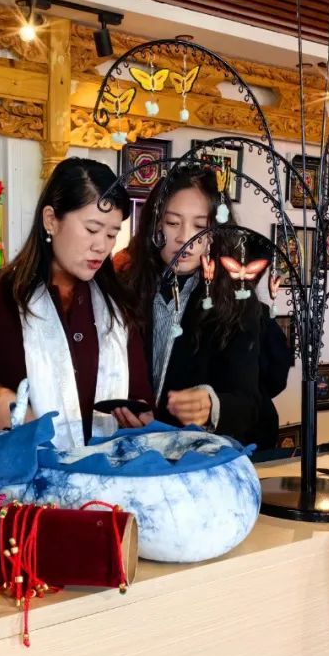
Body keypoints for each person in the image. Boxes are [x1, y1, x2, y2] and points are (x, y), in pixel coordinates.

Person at [0, 157, 154, 449]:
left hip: (107, 473)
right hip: (19, 475)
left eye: (111, 234)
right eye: (92, 229)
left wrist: (140, 415)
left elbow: (141, 398)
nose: (101, 246)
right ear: (51, 220)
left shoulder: (117, 305)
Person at [117, 164, 278, 448]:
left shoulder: (236, 301)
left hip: (199, 457)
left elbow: (249, 404)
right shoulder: (126, 288)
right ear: (155, 225)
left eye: (199, 227)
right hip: (134, 449)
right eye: (173, 223)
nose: (185, 238)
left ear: (215, 232)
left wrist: (212, 405)